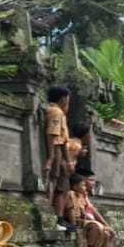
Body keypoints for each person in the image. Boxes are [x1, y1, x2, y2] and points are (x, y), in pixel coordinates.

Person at [69, 172, 116, 247]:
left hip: (89, 221)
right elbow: (80, 213)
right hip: (85, 223)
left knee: (110, 233)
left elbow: (91, 211)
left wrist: (106, 225)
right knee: (104, 232)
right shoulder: (72, 195)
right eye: (90, 180)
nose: (93, 183)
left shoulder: (83, 196)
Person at [44, 87, 75, 230]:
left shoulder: (58, 112)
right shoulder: (56, 113)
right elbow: (52, 134)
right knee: (54, 183)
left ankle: (59, 218)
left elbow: (63, 140)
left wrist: (68, 161)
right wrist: (51, 157)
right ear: (63, 98)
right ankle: (51, 216)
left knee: (61, 186)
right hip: (56, 151)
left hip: (61, 151)